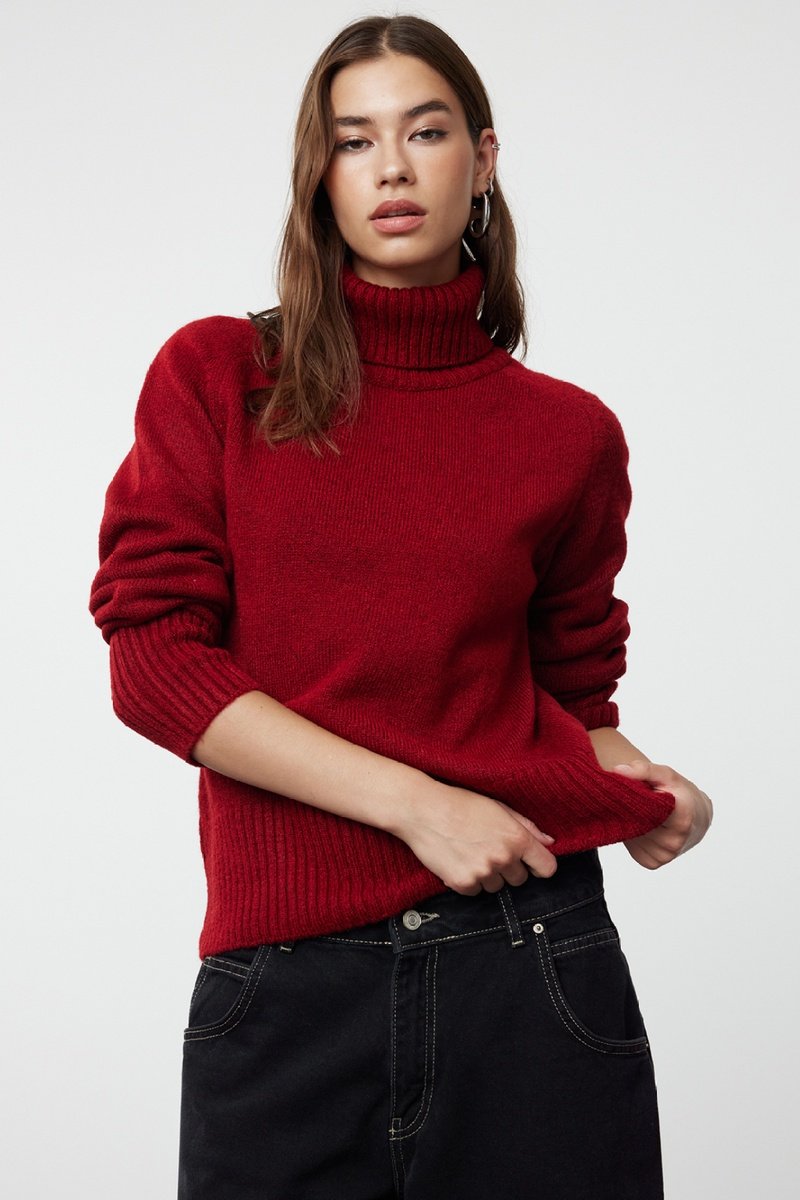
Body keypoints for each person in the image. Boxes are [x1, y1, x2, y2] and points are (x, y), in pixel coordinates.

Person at [88, 14, 713, 1199]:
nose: (389, 167)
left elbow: (571, 698)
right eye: (352, 140)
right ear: (317, 175)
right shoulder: (221, 376)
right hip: (286, 983)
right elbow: (156, 663)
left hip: (530, 964)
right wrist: (420, 808)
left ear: (481, 159)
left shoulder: (567, 435)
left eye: (423, 132)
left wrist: (642, 785)